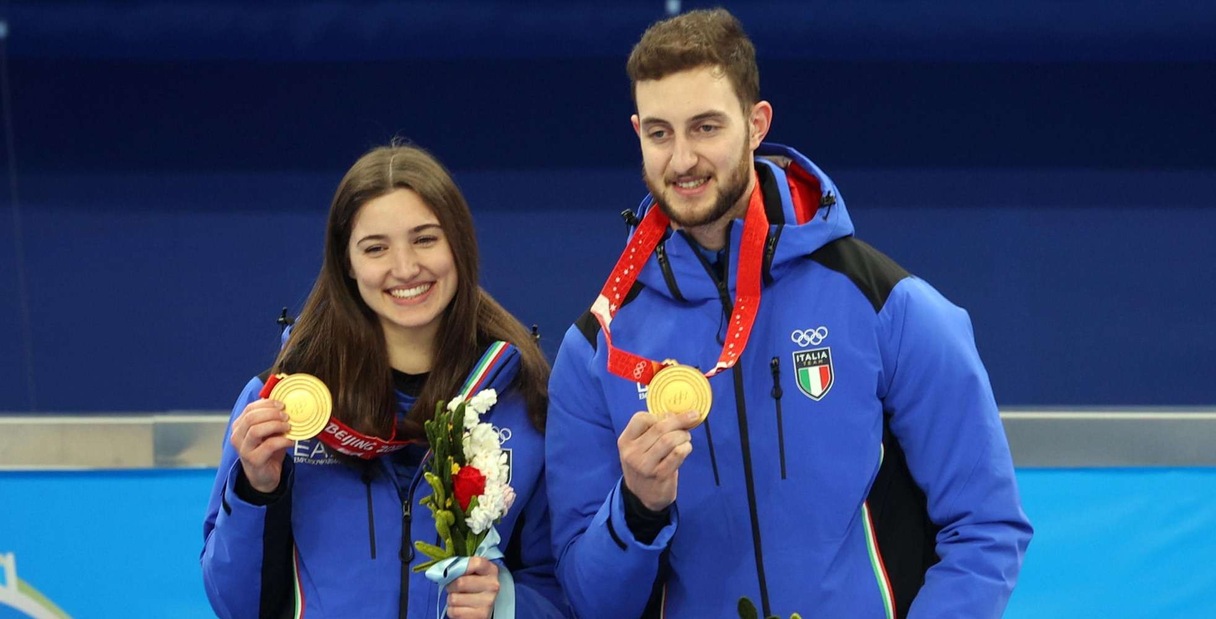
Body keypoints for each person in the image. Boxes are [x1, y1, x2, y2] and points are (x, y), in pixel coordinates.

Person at [545, 8, 1032, 619]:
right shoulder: (597, 350)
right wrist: (637, 509)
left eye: (706, 127)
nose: (682, 159)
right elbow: (590, 602)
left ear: (756, 124)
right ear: (638, 131)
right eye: (661, 133)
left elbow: (986, 527)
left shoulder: (886, 304)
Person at [202, 144, 570, 619]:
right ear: (347, 264)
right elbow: (236, 606)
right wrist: (256, 490)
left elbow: (567, 592)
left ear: (459, 245)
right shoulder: (280, 408)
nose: (405, 268)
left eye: (425, 239)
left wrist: (509, 603)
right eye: (376, 247)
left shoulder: (526, 401)